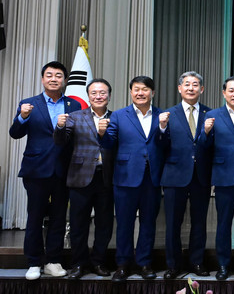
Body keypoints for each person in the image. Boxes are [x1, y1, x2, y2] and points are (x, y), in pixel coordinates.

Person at [10, 61, 79, 280]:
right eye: (49, 75)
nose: (53, 79)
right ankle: (33, 262)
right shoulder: (29, 104)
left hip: (63, 169)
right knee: (35, 217)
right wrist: (22, 117)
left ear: (64, 80)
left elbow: (77, 138)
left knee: (58, 217)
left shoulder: (74, 105)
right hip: (36, 169)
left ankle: (53, 261)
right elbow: (15, 133)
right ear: (42, 79)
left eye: (58, 75)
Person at [98, 76, 164, 282]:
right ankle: (123, 265)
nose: (140, 93)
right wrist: (102, 133)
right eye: (136, 89)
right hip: (125, 176)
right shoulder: (119, 115)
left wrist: (163, 128)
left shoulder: (162, 115)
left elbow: (166, 144)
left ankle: (144, 263)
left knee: (148, 223)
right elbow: (109, 143)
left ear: (152, 92)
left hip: (152, 177)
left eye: (145, 89)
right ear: (130, 92)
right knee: (124, 223)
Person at [53, 78, 114, 279]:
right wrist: (60, 127)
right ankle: (78, 264)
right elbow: (61, 141)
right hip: (80, 176)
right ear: (88, 96)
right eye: (94, 93)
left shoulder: (117, 117)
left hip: (106, 177)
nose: (98, 96)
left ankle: (98, 262)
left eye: (102, 93)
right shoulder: (75, 116)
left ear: (109, 96)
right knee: (78, 223)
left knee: (104, 223)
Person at [198, 76, 234, 281]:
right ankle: (223, 264)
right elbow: (203, 146)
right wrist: (206, 132)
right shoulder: (212, 115)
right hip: (224, 177)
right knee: (223, 223)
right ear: (224, 93)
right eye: (231, 90)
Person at [157, 71, 211, 279]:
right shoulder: (167, 114)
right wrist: (162, 128)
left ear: (201, 89)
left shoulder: (210, 114)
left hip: (201, 176)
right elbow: (160, 146)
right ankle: (173, 265)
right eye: (187, 84)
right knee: (173, 223)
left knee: (199, 222)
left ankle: (197, 262)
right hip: (175, 175)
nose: (191, 88)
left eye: (195, 84)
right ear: (180, 88)